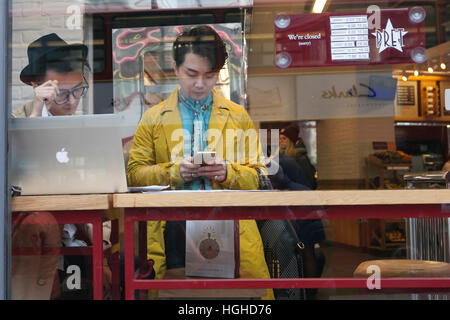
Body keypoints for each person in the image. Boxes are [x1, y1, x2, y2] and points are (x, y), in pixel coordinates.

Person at [127, 25, 273, 299]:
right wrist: (174, 172)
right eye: (191, 74)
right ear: (175, 68)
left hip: (230, 223)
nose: (200, 84)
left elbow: (260, 177)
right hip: (173, 227)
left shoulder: (238, 115)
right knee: (173, 295)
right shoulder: (153, 118)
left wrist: (227, 172)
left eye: (210, 75)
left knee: (239, 300)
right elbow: (134, 175)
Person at [11, 33, 112, 299]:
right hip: (33, 242)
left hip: (82, 236)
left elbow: (104, 187)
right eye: (62, 93)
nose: (72, 101)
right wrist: (35, 117)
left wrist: (100, 248)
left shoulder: (88, 130)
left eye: (79, 90)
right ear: (37, 85)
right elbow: (13, 179)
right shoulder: (15, 123)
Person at [279, 123, 317, 190]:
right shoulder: (282, 156)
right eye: (280, 138)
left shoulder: (299, 157)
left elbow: (309, 179)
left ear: (291, 140)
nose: (280, 141)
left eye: (284, 138)